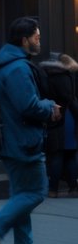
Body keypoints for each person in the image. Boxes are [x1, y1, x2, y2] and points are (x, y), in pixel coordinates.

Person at [0, 16, 62, 244]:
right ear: (24, 40)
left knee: (21, 194)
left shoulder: (7, 64)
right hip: (23, 142)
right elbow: (28, 106)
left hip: (12, 139)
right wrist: (49, 107)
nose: (39, 41)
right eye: (36, 37)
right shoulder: (18, 68)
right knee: (36, 192)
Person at [40, 52, 78, 197]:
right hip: (68, 116)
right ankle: (73, 187)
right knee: (70, 154)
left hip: (53, 115)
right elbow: (70, 97)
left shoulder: (46, 74)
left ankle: (53, 189)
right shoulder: (67, 75)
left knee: (55, 154)